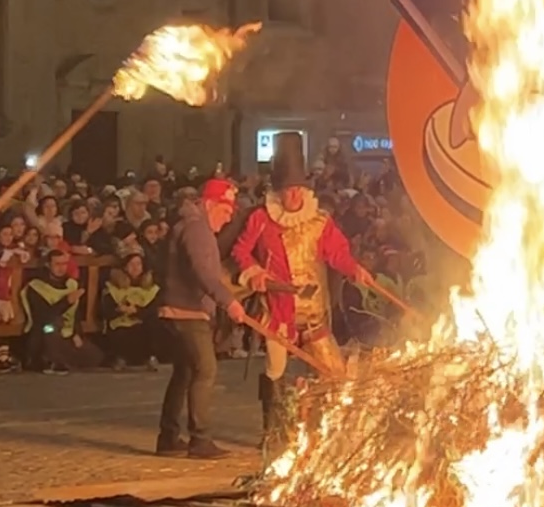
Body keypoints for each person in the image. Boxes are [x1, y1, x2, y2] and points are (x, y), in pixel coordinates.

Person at [232, 142, 382, 431]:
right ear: (278, 190)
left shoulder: (319, 222)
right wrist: (254, 272)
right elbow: (241, 251)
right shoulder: (261, 219)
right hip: (278, 313)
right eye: (288, 189)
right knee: (275, 370)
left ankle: (329, 431)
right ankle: (273, 432)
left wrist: (355, 270)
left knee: (333, 373)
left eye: (299, 188)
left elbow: (337, 254)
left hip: (314, 314)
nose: (294, 194)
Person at [153, 178, 246, 458]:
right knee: (206, 370)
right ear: (209, 204)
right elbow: (204, 274)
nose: (228, 217)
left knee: (184, 372)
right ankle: (200, 438)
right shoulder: (197, 230)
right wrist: (229, 302)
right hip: (188, 310)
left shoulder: (191, 226)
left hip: (178, 308)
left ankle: (168, 437)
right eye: (225, 210)